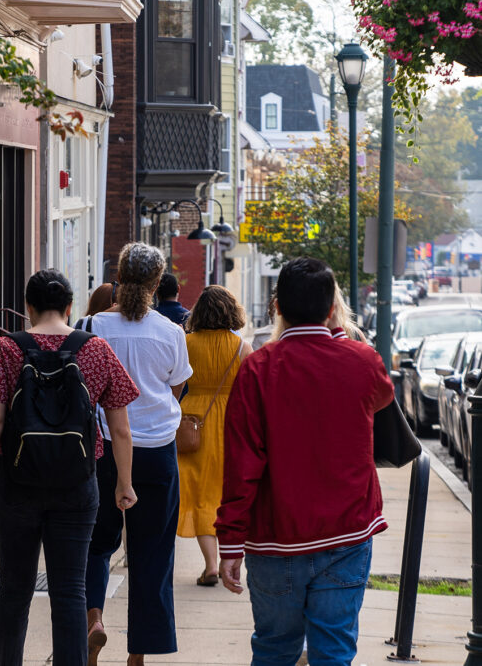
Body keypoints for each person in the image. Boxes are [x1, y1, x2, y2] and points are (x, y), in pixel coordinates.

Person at [216, 257, 394, 666]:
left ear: (277, 307)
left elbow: (242, 465)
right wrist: (337, 334)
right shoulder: (363, 361)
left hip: (275, 539)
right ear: (333, 307)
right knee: (333, 651)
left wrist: (229, 543)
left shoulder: (258, 369)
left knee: (275, 648)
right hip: (346, 533)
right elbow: (382, 398)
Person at [0, 269, 140, 666]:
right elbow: (120, 427)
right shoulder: (95, 349)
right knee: (70, 592)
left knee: (14, 591)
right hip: (78, 486)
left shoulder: (7, 350)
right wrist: (125, 485)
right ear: (69, 306)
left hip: (18, 484)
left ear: (29, 308)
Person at [85, 243, 193, 666]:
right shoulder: (170, 333)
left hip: (103, 450)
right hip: (157, 453)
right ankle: (137, 655)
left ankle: (94, 620)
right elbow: (176, 388)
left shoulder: (93, 325)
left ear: (119, 277)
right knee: (152, 554)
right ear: (155, 283)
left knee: (95, 544)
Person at [176, 286, 252, 587]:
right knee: (225, 492)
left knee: (198, 493)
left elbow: (176, 380)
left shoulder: (186, 343)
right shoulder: (241, 347)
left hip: (194, 419)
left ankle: (209, 564)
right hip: (231, 421)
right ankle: (227, 559)